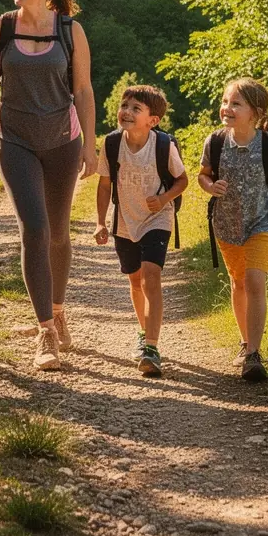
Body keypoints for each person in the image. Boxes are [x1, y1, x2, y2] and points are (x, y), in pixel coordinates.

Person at [0, 0, 97, 371]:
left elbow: (82, 90)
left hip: (63, 140)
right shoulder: (0, 28)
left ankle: (58, 310)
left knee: (60, 232)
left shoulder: (70, 31)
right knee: (35, 228)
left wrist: (90, 145)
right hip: (15, 140)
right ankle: (45, 330)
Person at [198, 78, 268, 382]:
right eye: (225, 101)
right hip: (226, 224)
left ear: (256, 112)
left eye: (236, 103)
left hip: (263, 222)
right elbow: (203, 176)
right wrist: (211, 187)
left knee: (254, 281)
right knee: (237, 283)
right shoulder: (216, 141)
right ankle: (245, 341)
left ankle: (254, 355)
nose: (227, 108)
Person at [94, 85, 188, 377]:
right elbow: (104, 184)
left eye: (137, 108)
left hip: (157, 218)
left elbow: (182, 180)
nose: (127, 112)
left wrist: (163, 199)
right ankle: (143, 330)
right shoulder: (111, 144)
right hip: (125, 220)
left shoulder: (162, 145)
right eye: (125, 106)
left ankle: (151, 346)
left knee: (151, 275)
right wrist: (100, 221)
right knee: (135, 281)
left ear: (153, 120)